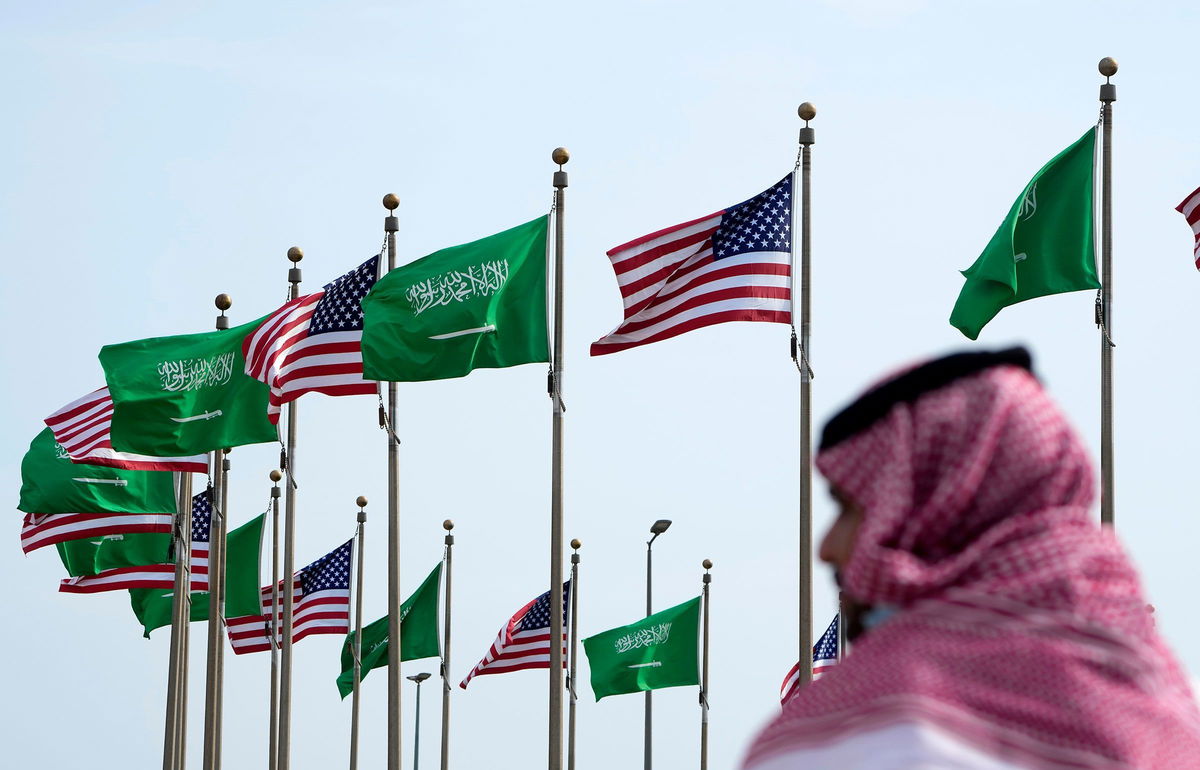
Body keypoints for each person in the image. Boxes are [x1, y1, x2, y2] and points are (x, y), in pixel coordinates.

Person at [743, 348, 1200, 769]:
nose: (827, 549)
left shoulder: (866, 737)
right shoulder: (1166, 713)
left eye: (847, 507)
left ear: (935, 514)